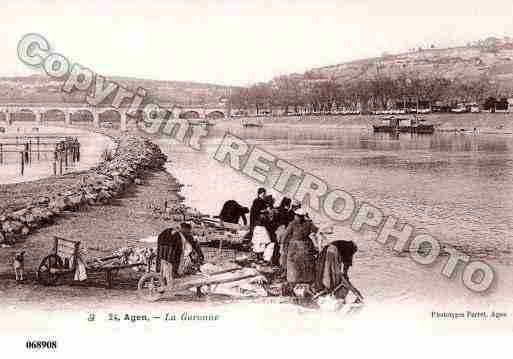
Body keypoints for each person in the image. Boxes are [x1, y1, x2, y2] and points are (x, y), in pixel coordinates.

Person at [282, 208, 319, 286]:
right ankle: (305, 280)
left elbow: (285, 235)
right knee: (303, 264)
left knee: (297, 264)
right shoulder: (307, 223)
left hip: (296, 246)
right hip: (303, 246)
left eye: (297, 216)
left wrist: (284, 245)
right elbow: (316, 230)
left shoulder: (293, 224)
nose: (296, 217)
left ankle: (297, 281)